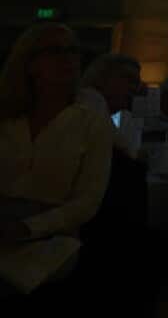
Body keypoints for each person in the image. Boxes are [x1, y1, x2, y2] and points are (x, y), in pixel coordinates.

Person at [0, 23, 113, 295]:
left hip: (51, 233)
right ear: (29, 63)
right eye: (55, 51)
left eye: (73, 51)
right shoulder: (6, 118)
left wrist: (28, 227)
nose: (69, 59)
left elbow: (87, 201)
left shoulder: (91, 124)